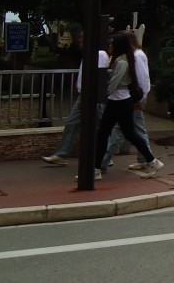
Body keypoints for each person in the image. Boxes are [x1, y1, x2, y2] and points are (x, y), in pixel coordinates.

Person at [92, 33, 162, 179]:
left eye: (112, 44)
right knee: (128, 133)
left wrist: (102, 95)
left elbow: (113, 84)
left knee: (107, 133)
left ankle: (96, 169)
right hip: (121, 101)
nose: (110, 46)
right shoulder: (123, 59)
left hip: (118, 101)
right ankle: (152, 161)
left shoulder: (122, 62)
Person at [42, 33, 108, 166]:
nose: (81, 44)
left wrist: (86, 96)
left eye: (83, 41)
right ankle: (62, 154)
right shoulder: (88, 54)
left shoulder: (99, 55)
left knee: (100, 126)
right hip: (85, 95)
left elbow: (97, 77)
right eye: (80, 41)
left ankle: (106, 155)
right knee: (75, 123)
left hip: (92, 96)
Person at [109, 29, 154, 171]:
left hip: (133, 99)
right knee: (137, 129)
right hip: (133, 98)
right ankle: (145, 159)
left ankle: (101, 162)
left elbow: (141, 78)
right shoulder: (134, 55)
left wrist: (139, 99)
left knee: (122, 130)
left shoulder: (137, 56)